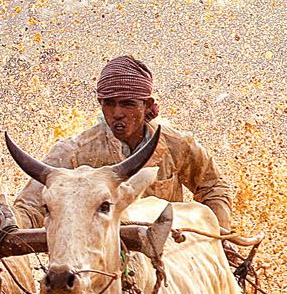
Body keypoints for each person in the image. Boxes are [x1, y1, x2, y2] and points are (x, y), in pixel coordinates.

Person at [12, 55, 236, 236]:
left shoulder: (178, 145)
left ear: (146, 105)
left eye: (127, 104)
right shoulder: (74, 153)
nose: (117, 113)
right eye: (109, 104)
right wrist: (10, 223)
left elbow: (213, 187)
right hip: (97, 256)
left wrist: (218, 236)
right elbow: (30, 207)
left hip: (168, 254)